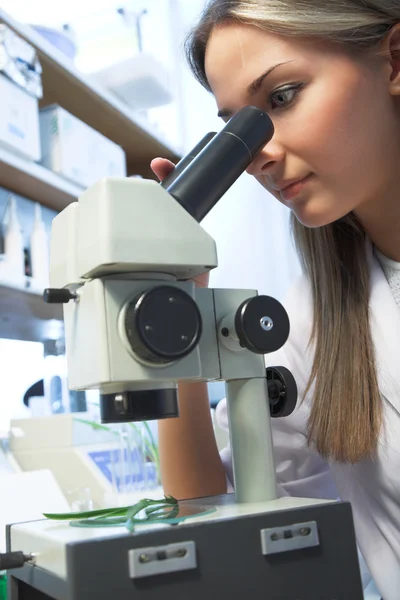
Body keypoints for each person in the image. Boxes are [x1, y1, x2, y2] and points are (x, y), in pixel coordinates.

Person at [151, 2, 400, 598]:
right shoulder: (316, 324)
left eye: (282, 97)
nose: (255, 154)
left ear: (393, 60)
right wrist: (176, 311)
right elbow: (212, 517)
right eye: (238, 126)